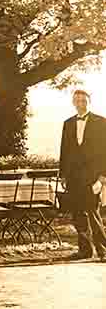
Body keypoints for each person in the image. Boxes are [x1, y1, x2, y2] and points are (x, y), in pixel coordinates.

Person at [59, 89, 106, 261]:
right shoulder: (68, 123)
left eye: (83, 100)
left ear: (89, 101)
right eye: (77, 100)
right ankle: (84, 250)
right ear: (73, 102)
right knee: (78, 213)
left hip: (93, 176)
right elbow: (64, 150)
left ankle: (103, 251)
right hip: (73, 176)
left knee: (93, 212)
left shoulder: (101, 122)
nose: (80, 103)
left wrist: (103, 176)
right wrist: (63, 174)